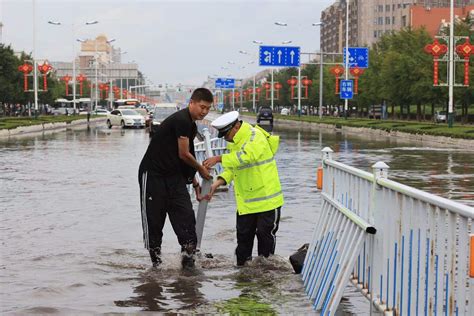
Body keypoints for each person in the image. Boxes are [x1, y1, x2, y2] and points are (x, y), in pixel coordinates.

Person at [138, 88, 213, 268]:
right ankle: (156, 267)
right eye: (202, 107)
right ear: (192, 103)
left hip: (175, 177)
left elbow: (187, 157)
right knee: (155, 222)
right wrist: (202, 170)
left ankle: (187, 266)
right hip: (154, 175)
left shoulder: (192, 125)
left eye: (208, 109)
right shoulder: (181, 120)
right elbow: (184, 154)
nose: (204, 111)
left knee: (186, 219)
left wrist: (194, 182)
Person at [203, 111, 284, 266]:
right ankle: (243, 279)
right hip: (246, 203)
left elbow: (246, 157)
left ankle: (266, 277)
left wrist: (219, 159)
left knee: (265, 239)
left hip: (267, 201)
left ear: (236, 126)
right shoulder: (234, 142)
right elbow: (234, 167)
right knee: (243, 242)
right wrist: (217, 183)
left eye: (226, 134)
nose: (226, 138)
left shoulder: (256, 136)